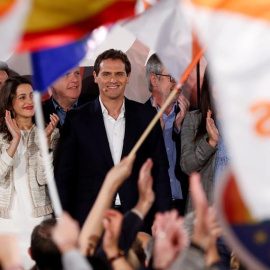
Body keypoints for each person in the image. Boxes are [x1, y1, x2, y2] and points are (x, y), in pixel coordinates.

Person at [55, 49, 171, 233]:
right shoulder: (77, 119)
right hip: (91, 220)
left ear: (128, 77)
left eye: (119, 74)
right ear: (95, 76)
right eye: (106, 74)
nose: (113, 80)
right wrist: (65, 220)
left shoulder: (147, 116)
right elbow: (65, 176)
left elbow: (160, 170)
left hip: (138, 218)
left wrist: (163, 215)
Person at [0, 76, 59, 267]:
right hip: (7, 220)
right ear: (10, 102)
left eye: (32, 96)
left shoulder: (50, 132)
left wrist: (46, 142)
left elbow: (44, 179)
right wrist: (15, 141)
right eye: (22, 97)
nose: (29, 102)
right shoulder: (1, 136)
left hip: (38, 219)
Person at [145, 53, 190, 215]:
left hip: (185, 207)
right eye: (171, 77)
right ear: (154, 79)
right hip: (153, 208)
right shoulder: (138, 117)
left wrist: (180, 130)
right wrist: (157, 134)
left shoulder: (191, 116)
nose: (178, 83)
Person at [180, 70, 229, 212]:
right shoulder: (194, 120)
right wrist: (210, 142)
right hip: (204, 213)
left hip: (237, 213)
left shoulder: (247, 123)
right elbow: (187, 166)